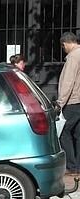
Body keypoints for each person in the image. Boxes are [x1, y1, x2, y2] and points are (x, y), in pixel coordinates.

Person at [57, 32, 80, 176]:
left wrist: (60, 102)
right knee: (78, 134)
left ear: (65, 43)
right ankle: (77, 164)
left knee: (64, 131)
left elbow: (68, 81)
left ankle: (72, 166)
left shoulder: (73, 57)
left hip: (73, 101)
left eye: (63, 46)